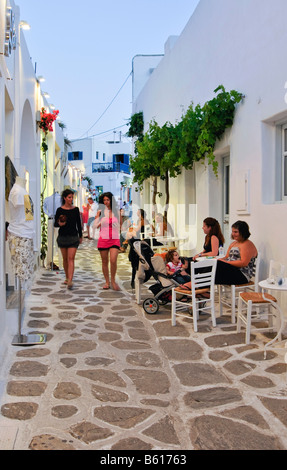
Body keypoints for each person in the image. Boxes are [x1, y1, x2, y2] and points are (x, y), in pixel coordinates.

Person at [54, 189, 83, 289]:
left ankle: (70, 279)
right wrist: (60, 223)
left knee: (71, 258)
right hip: (62, 236)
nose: (71, 199)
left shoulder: (75, 209)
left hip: (73, 236)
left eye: (72, 197)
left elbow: (78, 224)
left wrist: (81, 235)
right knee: (65, 259)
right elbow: (55, 223)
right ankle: (67, 277)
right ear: (65, 198)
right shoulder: (59, 210)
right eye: (69, 197)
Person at [215, 220, 257, 285]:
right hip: (232, 271)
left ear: (243, 232)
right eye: (232, 232)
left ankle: (201, 287)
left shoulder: (247, 244)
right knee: (213, 265)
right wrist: (220, 260)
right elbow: (226, 257)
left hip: (242, 275)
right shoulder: (233, 243)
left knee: (215, 269)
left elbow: (244, 263)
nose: (233, 234)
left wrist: (226, 263)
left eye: (236, 232)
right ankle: (200, 285)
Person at [95, 192, 120, 291]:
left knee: (113, 260)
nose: (106, 202)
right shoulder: (100, 211)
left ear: (111, 200)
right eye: (104, 200)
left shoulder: (116, 211)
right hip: (103, 238)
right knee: (104, 261)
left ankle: (113, 281)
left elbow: (120, 225)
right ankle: (107, 281)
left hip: (114, 238)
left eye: (108, 200)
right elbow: (95, 225)